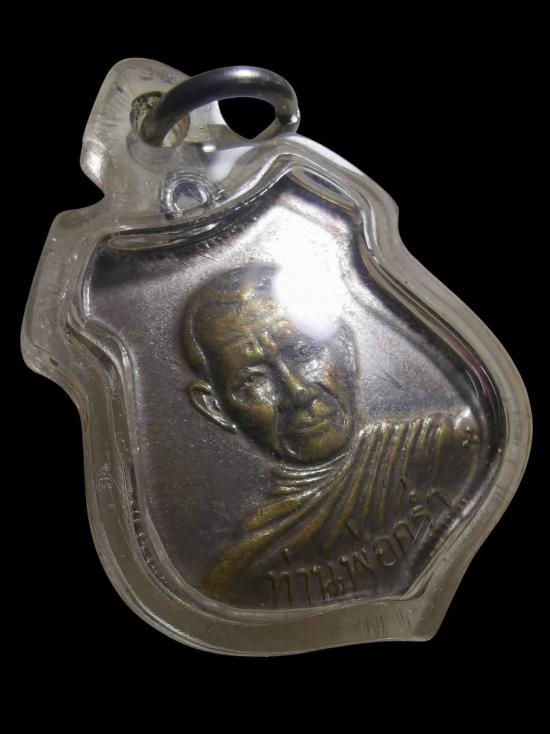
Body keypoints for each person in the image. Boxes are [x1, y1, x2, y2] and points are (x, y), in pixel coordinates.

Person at [181, 263, 485, 607]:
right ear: (215, 408)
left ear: (346, 348)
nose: (297, 392)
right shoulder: (235, 580)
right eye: (253, 380)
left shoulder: (451, 447)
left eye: (302, 352)